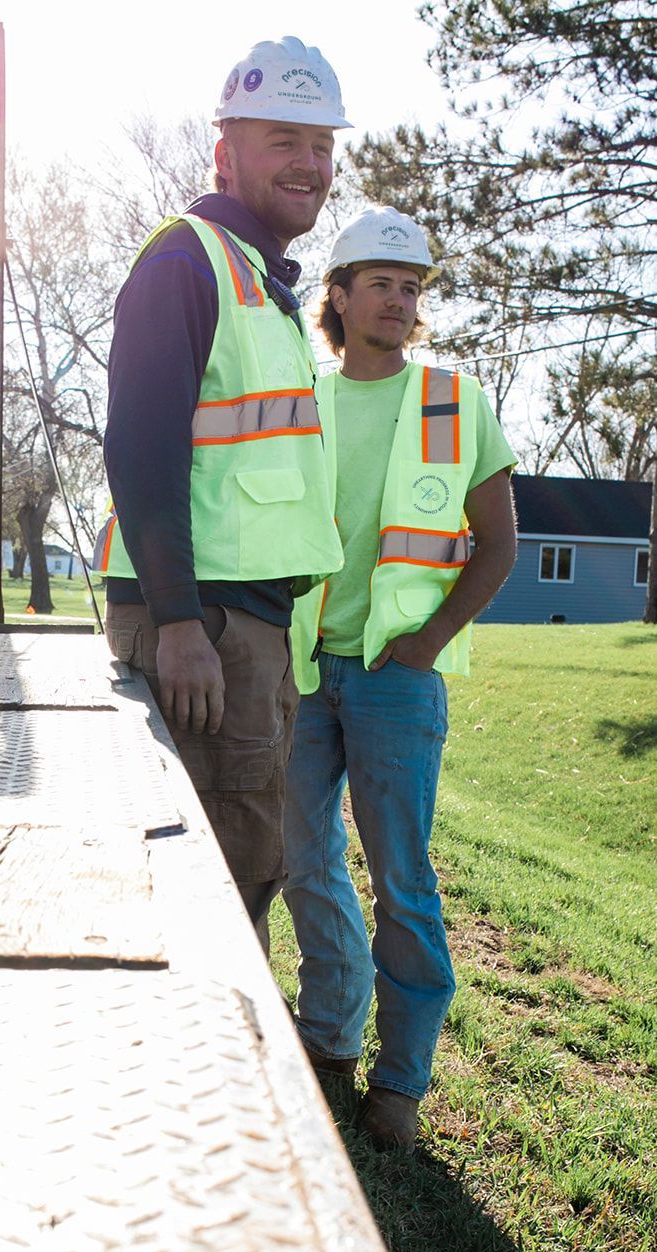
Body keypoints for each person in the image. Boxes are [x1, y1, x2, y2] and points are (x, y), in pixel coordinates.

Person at [99, 37, 348, 948]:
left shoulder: (262, 286)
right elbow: (140, 449)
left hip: (245, 632)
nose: (309, 164)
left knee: (245, 869)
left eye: (321, 146)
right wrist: (175, 624)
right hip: (201, 629)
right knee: (204, 893)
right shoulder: (187, 261)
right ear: (225, 154)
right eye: (284, 139)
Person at [283, 206, 518, 1151]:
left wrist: (425, 644)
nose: (399, 297)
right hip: (303, 672)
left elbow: (498, 546)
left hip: (394, 678)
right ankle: (330, 1036)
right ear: (336, 296)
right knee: (304, 862)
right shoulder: (299, 394)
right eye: (378, 281)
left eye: (411, 285)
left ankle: (400, 1084)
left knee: (403, 882)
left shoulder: (456, 400)